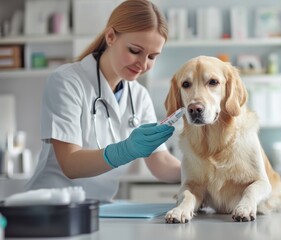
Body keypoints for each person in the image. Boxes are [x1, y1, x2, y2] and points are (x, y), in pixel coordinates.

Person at [26, 0, 181, 202]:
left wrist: (202, 172)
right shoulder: (67, 81)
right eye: (135, 51)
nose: (143, 64)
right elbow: (70, 164)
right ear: (110, 37)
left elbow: (160, 162)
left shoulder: (139, 95)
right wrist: (125, 150)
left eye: (152, 56)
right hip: (51, 205)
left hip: (101, 208)